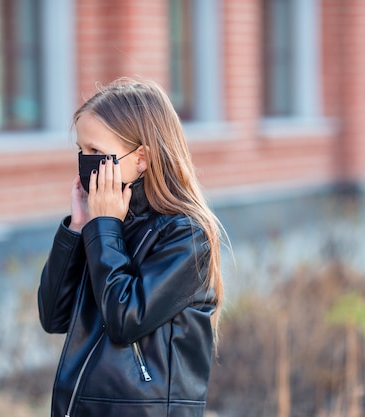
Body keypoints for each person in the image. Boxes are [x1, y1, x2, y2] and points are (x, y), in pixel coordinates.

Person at [38, 77, 227, 417]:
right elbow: (53, 317)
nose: (86, 161)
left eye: (96, 151)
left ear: (141, 158)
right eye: (81, 150)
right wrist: (78, 229)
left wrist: (103, 228)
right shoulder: (103, 226)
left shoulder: (185, 235)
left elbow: (125, 319)